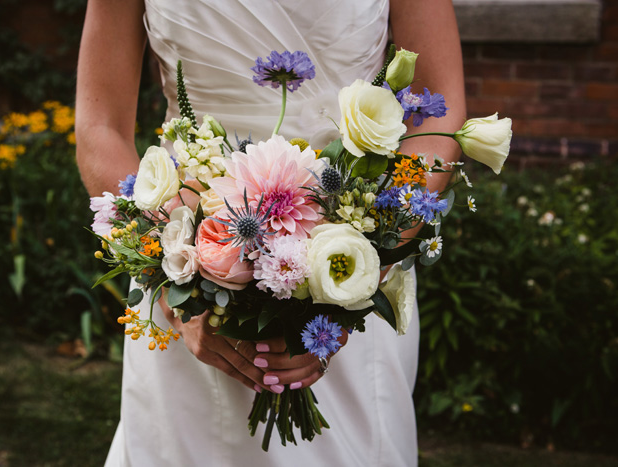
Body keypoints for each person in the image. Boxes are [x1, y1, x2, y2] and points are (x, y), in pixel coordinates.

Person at [76, 1, 465, 465]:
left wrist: (363, 261)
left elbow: (437, 113)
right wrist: (181, 279)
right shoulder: (184, 272)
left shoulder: (358, 262)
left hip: (352, 260)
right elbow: (100, 129)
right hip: (189, 254)